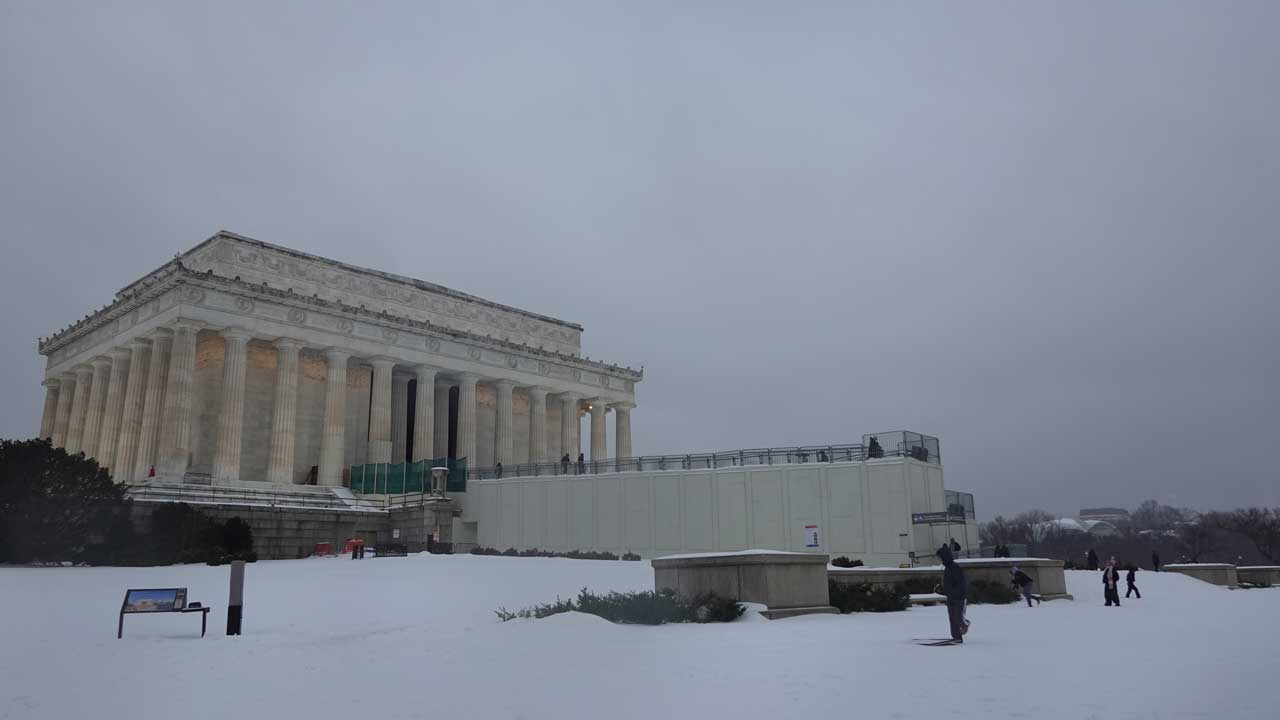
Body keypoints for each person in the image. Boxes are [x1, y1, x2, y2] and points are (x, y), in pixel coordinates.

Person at [936, 546, 969, 643]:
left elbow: (961, 583)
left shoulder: (955, 567)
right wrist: (941, 590)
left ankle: (965, 624)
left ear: (944, 556)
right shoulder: (947, 568)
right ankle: (957, 637)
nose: (939, 559)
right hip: (950, 597)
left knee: (958, 617)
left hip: (959, 597)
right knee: (952, 618)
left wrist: (955, 593)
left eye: (940, 557)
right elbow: (948, 585)